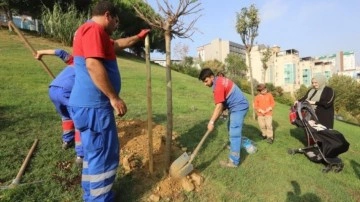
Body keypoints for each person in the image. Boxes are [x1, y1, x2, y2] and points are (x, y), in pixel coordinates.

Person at [67, 1, 150, 201]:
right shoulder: (94, 30)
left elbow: (118, 44)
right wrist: (114, 97)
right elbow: (93, 65)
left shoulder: (91, 32)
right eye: (116, 21)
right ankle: (99, 198)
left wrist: (138, 37)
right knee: (104, 154)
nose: (116, 25)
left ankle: (91, 193)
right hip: (95, 106)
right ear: (108, 15)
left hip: (86, 105)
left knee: (94, 153)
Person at [35, 49, 83, 165]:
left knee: (66, 116)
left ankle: (67, 141)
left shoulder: (74, 61)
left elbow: (60, 52)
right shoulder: (88, 67)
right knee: (79, 120)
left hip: (53, 89)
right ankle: (81, 155)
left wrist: (40, 52)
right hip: (66, 92)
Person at [199, 68, 250, 168]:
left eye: (206, 81)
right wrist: (214, 120)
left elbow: (219, 107)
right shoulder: (219, 80)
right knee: (230, 126)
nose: (205, 84)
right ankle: (234, 146)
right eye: (203, 82)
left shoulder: (218, 86)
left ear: (212, 77)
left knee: (234, 132)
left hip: (239, 107)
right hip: (237, 105)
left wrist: (211, 122)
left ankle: (234, 161)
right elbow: (222, 106)